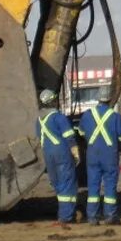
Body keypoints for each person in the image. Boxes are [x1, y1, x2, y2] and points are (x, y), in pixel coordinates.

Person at [78, 84, 121, 225]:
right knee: (110, 186)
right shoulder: (115, 117)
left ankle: (92, 217)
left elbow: (81, 133)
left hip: (93, 156)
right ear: (110, 99)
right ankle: (110, 215)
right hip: (109, 156)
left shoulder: (87, 115)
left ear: (98, 98)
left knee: (93, 186)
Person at [35, 89, 79, 225]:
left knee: (58, 184)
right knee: (67, 183)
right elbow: (69, 137)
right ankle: (66, 216)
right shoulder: (59, 118)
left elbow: (38, 137)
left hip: (48, 154)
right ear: (54, 101)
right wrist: (76, 153)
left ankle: (64, 213)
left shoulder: (39, 120)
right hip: (61, 153)